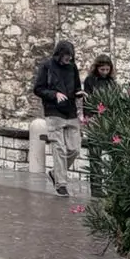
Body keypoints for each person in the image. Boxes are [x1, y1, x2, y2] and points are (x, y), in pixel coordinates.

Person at [33, 39, 84, 195]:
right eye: (66, 55)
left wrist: (79, 94)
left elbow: (76, 87)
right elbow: (38, 89)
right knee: (59, 148)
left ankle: (55, 173)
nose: (68, 58)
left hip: (70, 111)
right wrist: (54, 94)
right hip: (53, 111)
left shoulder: (72, 67)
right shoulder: (47, 66)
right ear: (59, 54)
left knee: (75, 149)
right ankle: (61, 184)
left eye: (70, 55)